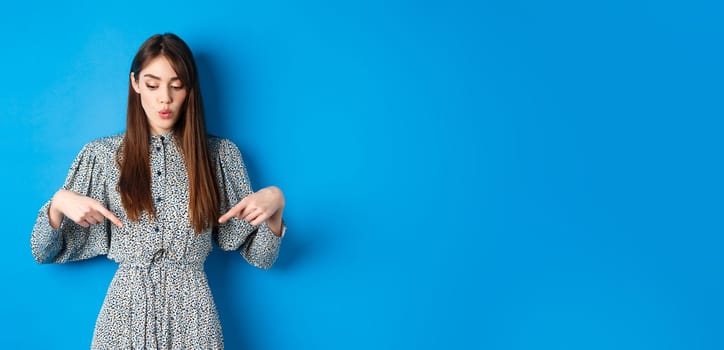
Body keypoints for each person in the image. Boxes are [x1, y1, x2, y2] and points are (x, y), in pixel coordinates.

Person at [30, 33, 286, 349]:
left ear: (189, 89)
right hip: (124, 320)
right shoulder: (102, 157)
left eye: (176, 86)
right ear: (135, 83)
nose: (164, 98)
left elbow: (262, 257)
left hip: (194, 319)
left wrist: (276, 204)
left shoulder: (219, 156)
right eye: (152, 85)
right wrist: (57, 203)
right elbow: (43, 251)